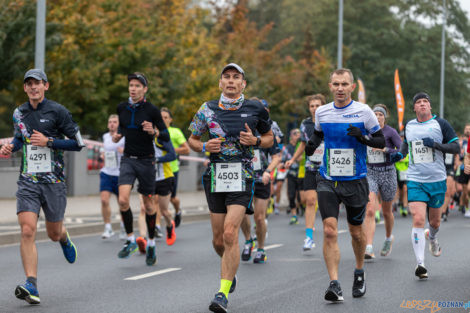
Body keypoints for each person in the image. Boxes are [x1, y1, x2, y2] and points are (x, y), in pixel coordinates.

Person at [188, 63, 273, 312]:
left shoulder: (255, 108)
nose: (231, 81)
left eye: (236, 77)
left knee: (229, 233)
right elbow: (192, 139)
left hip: (243, 175)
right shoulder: (207, 109)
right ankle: (230, 269)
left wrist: (256, 140)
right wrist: (205, 147)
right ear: (220, 83)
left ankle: (222, 293)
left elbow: (270, 139)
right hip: (215, 176)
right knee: (217, 240)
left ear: (243, 84)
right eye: (226, 77)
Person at [0, 69, 84, 305]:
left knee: (53, 233)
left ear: (46, 86)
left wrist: (49, 142)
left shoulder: (58, 111)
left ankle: (64, 237)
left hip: (54, 182)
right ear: (25, 88)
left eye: (37, 83)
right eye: (29, 84)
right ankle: (31, 284)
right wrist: (10, 147)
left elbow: (78, 143)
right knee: (27, 230)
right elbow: (20, 138)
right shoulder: (19, 113)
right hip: (28, 181)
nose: (33, 87)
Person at [305, 68, 385, 302]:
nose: (340, 88)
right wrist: (311, 145)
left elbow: (379, 140)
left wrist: (362, 138)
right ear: (330, 86)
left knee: (355, 232)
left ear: (352, 87)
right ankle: (334, 283)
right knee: (329, 230)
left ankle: (359, 272)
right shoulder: (322, 111)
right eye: (336, 84)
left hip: (356, 179)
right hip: (328, 178)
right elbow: (318, 135)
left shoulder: (364, 111)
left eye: (344, 84)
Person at [390, 92, 459, 279]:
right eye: (418, 102)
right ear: (414, 108)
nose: (422, 104)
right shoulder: (409, 126)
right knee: (419, 219)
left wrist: (436, 145)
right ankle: (420, 264)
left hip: (436, 179)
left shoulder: (441, 124)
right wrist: (400, 154)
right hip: (415, 179)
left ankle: (433, 237)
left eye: (425, 102)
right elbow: (406, 146)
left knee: (434, 222)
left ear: (430, 106)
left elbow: (456, 148)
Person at [113, 72, 170, 265]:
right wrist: (117, 136)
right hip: (128, 159)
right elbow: (122, 127)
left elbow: (165, 135)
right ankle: (130, 240)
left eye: (137, 85)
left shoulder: (152, 110)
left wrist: (153, 131)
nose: (133, 88)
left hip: (147, 161)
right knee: (122, 200)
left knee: (148, 205)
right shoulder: (122, 107)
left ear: (144, 89)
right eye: (131, 85)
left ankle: (152, 242)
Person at [240, 98, 281, 263]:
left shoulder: (267, 134)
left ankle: (261, 248)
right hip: (243, 179)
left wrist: (268, 171)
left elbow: (276, 157)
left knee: (259, 217)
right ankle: (249, 239)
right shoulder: (240, 129)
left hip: (261, 179)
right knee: (242, 213)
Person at [285, 94, 326, 251]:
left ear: (323, 106)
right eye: (312, 106)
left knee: (327, 203)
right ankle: (309, 237)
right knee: (309, 201)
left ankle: (331, 232)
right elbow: (302, 144)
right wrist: (293, 159)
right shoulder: (305, 124)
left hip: (328, 168)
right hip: (310, 167)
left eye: (317, 105)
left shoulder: (329, 120)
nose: (315, 108)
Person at [362, 104, 401, 260]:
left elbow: (402, 150)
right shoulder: (366, 132)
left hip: (388, 173)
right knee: (370, 209)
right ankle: (369, 247)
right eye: (375, 114)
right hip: (370, 172)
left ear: (385, 117)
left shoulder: (390, 132)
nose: (377, 117)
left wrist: (385, 150)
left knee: (386, 211)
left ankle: (388, 237)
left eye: (380, 114)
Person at [135, 129, 177, 265]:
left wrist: (157, 159)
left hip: (164, 178)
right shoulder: (140, 140)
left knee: (164, 210)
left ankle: (170, 225)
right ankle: (143, 238)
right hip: (148, 179)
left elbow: (172, 155)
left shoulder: (162, 139)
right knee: (144, 208)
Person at [161, 107, 190, 227]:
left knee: (172, 199)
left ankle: (177, 211)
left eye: (165, 117)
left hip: (172, 170)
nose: (162, 120)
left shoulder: (175, 132)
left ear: (170, 120)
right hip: (157, 170)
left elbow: (187, 149)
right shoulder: (154, 132)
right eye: (160, 117)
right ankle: (156, 227)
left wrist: (171, 150)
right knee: (156, 199)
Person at [100, 114, 125, 239]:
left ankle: (123, 226)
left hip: (120, 174)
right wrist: (103, 154)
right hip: (106, 172)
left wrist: (124, 152)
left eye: (115, 122)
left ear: (118, 124)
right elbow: (103, 149)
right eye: (110, 122)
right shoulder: (105, 136)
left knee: (122, 202)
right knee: (104, 200)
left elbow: (132, 152)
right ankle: (108, 228)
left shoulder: (123, 138)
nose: (112, 124)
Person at [282, 129, 303, 224]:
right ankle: (294, 215)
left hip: (302, 174)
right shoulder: (287, 148)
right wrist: (285, 164)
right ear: (291, 136)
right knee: (291, 195)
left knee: (301, 197)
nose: (297, 135)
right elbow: (282, 161)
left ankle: (300, 207)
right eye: (295, 134)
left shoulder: (303, 145)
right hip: (291, 174)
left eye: (299, 134)